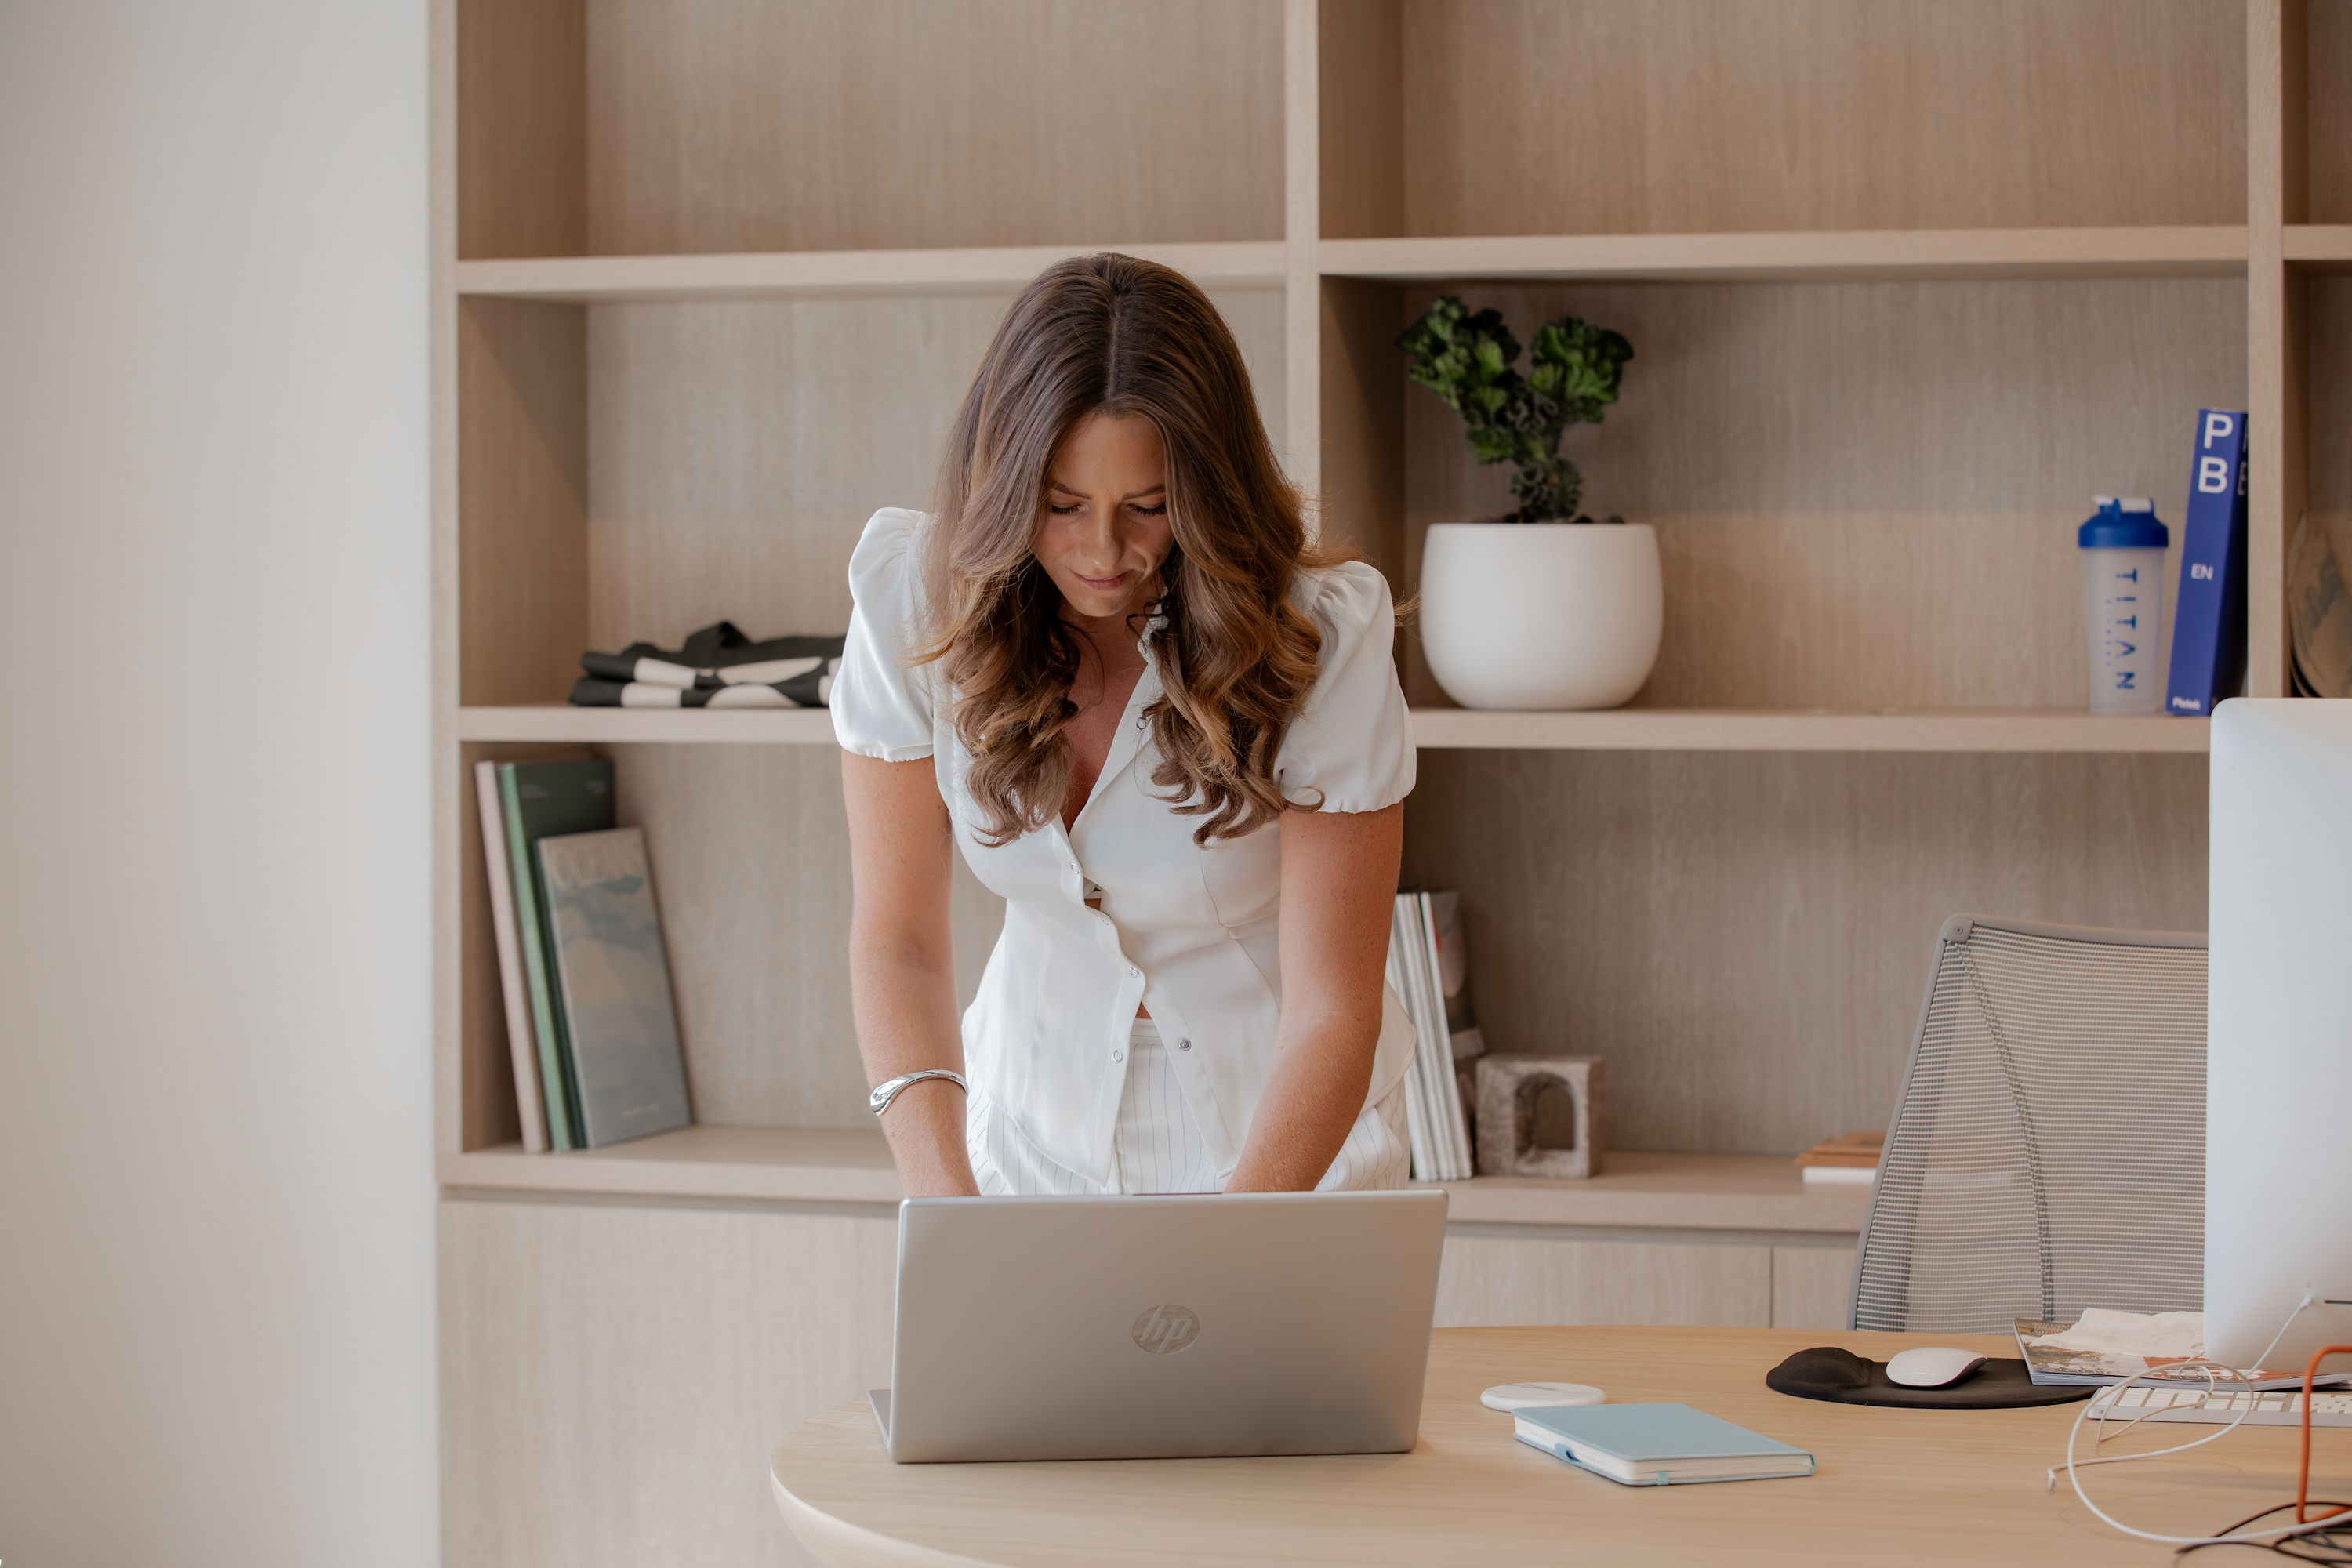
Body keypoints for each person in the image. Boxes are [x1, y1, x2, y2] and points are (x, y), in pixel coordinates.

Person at [833, 252, 1417, 1198]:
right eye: (1061, 506)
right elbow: (896, 942)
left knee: (1253, 1350)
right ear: (1006, 483)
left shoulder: (1319, 631)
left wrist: (1233, 1254)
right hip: (1023, 1129)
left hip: (1285, 1138)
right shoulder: (913, 601)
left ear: (1206, 492)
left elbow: (1334, 1003)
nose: (1104, 552)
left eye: (1148, 508)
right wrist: (949, 1209)